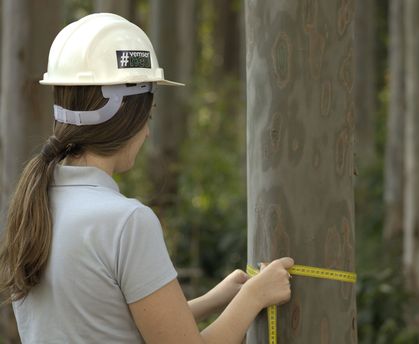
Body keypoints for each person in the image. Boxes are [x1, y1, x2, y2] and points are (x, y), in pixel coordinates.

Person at [0, 13, 293, 343]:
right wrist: (255, 296)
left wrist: (220, 298)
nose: (148, 132)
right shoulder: (126, 222)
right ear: (127, 115)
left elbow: (110, 320)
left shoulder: (34, 205)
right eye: (147, 116)